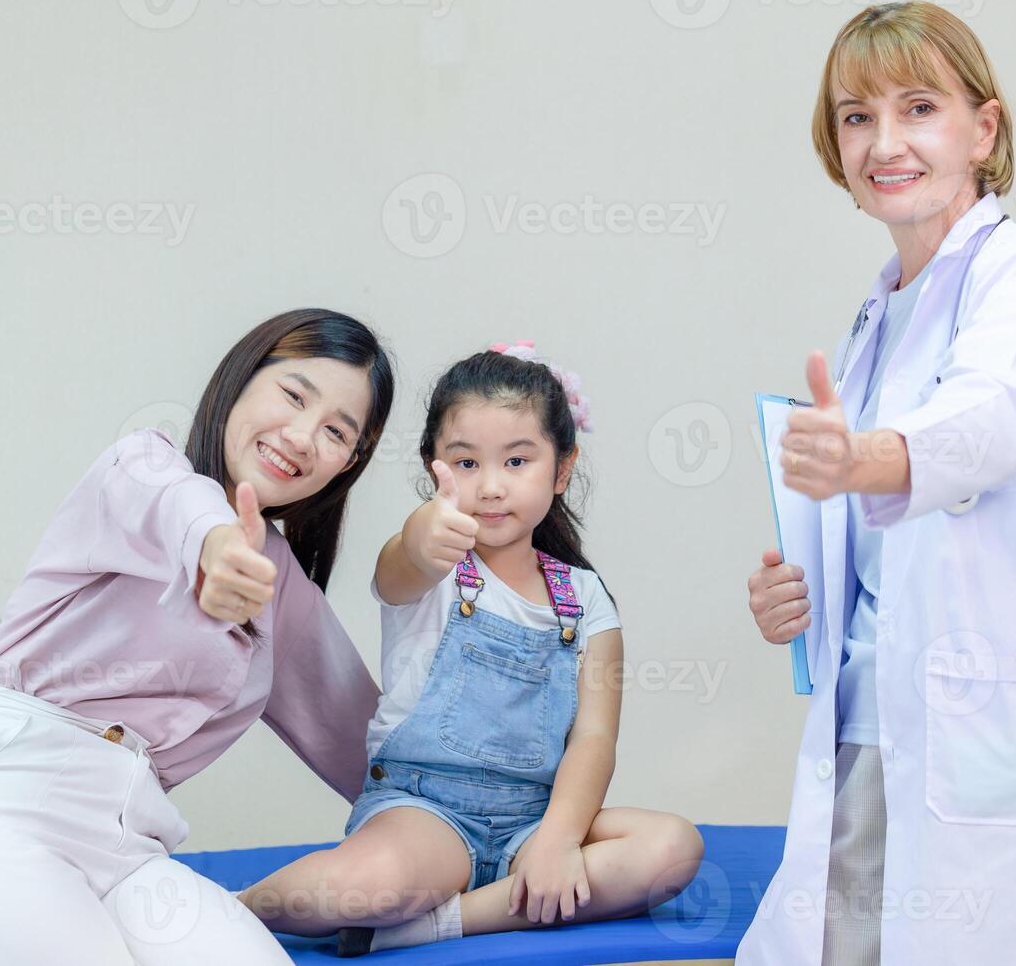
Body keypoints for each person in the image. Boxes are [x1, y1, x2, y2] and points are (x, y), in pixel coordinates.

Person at [738, 2, 1016, 966]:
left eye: (919, 107)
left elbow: (989, 421)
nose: (884, 142)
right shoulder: (875, 317)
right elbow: (888, 556)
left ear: (983, 130)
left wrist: (866, 461)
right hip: (872, 719)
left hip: (1006, 729)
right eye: (856, 117)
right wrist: (803, 600)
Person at [0, 308, 396, 965]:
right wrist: (219, 551)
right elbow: (183, 513)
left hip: (126, 843)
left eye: (335, 431)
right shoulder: (140, 468)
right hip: (1, 805)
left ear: (349, 461)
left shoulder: (283, 587)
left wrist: (533, 821)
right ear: (243, 378)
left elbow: (371, 742)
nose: (302, 437)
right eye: (293, 395)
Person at [241, 341, 705, 956]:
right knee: (360, 887)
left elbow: (594, 738)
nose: (490, 487)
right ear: (433, 466)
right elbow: (403, 563)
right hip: (423, 812)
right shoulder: (431, 564)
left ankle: (441, 923)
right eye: (465, 464)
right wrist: (424, 536)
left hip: (535, 821)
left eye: (517, 462)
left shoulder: (587, 599)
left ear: (562, 469)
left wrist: (559, 841)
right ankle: (227, 907)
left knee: (672, 849)